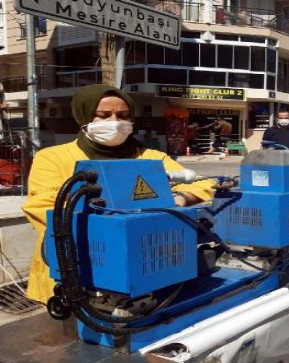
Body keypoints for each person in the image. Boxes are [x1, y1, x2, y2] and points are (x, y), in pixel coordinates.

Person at [21, 84, 216, 305]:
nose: (115, 122)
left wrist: (179, 199)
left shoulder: (150, 158)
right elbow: (42, 206)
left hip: (140, 268)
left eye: (123, 116)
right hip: (75, 268)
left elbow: (202, 183)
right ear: (83, 116)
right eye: (103, 115)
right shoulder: (53, 158)